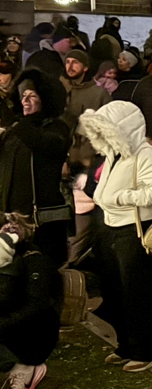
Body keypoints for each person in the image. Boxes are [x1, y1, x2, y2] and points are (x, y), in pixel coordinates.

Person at [79, 102, 152, 372]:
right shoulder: (114, 154)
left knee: (137, 293)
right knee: (115, 290)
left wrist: (122, 198)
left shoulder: (145, 155)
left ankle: (146, 350)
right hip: (110, 227)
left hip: (134, 231)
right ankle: (126, 345)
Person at [0, 70, 73, 259]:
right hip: (11, 218)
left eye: (32, 95)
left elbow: (42, 144)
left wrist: (14, 123)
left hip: (44, 220)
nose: (26, 100)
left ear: (45, 99)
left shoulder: (57, 128)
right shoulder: (12, 133)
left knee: (43, 273)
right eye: (23, 95)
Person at [0, 219, 61, 389]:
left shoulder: (35, 263)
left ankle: (27, 365)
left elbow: (38, 306)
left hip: (32, 332)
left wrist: (2, 324)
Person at [61, 49, 111, 168]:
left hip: (89, 157)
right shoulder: (60, 90)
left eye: (75, 62)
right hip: (62, 156)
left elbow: (108, 128)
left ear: (85, 67)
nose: (70, 66)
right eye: (68, 62)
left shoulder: (99, 94)